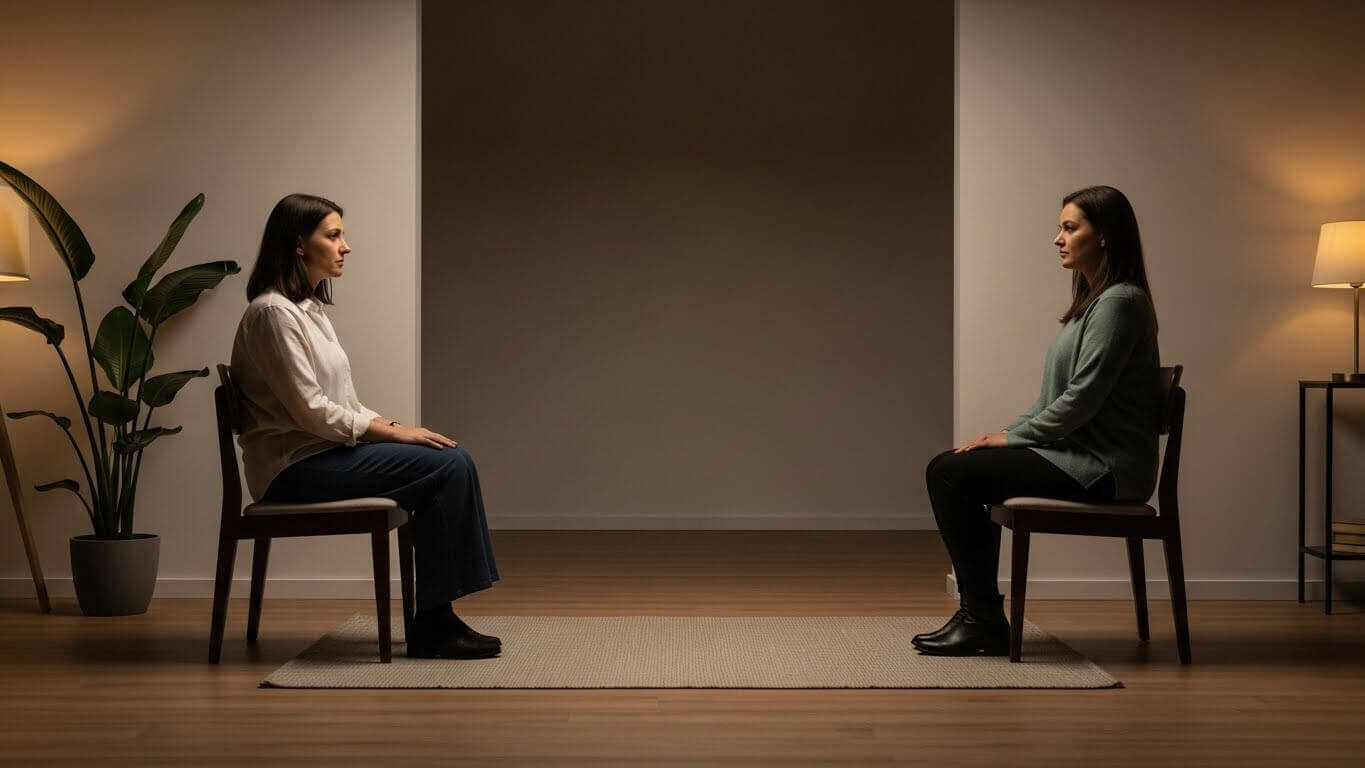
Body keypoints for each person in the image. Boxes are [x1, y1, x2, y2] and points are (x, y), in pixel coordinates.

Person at [230, 193, 500, 659]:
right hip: (292, 470)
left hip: (321, 455)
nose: (345, 246)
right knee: (452, 465)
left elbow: (343, 403)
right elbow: (311, 411)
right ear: (298, 244)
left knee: (444, 461)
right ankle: (435, 623)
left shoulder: (309, 312)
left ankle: (436, 620)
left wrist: (395, 426)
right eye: (333, 235)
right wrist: (393, 432)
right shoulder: (272, 313)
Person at [915, 185, 1162, 656]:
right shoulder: (1095, 303)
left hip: (1105, 468)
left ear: (1105, 236)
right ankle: (981, 616)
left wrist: (1012, 438)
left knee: (948, 473)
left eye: (1070, 227)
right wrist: (1004, 435)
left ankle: (981, 617)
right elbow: (1055, 398)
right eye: (1060, 228)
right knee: (958, 467)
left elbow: (1081, 401)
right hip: (1079, 457)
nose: (1058, 238)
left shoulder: (1120, 304)